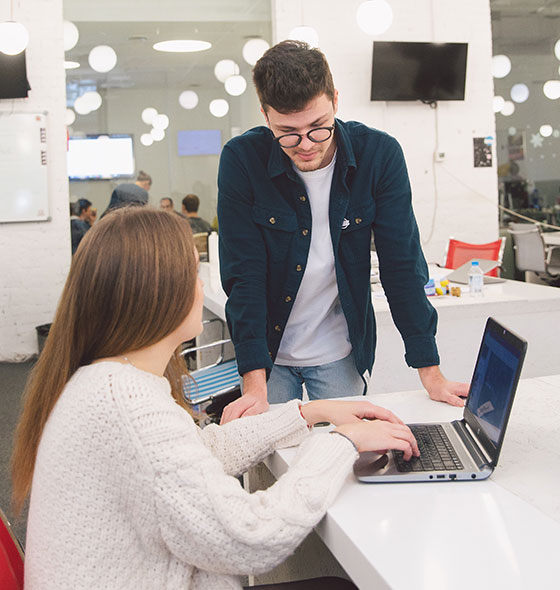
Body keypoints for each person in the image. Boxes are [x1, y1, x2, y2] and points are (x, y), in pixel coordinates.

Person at [11, 207, 418, 590]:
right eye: (193, 273)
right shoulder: (129, 403)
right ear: (157, 293)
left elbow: (198, 453)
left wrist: (311, 412)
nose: (202, 285)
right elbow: (251, 538)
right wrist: (342, 443)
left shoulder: (108, 382)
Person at [217, 41, 468, 423]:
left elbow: (401, 266)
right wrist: (253, 383)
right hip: (268, 354)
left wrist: (430, 372)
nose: (305, 145)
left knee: (349, 449)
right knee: (272, 449)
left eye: (318, 127)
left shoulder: (378, 155)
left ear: (335, 100)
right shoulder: (242, 159)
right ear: (265, 114)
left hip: (340, 350)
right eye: (288, 132)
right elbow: (244, 274)